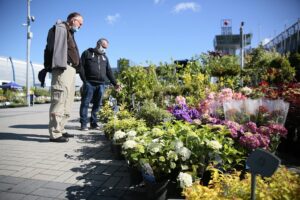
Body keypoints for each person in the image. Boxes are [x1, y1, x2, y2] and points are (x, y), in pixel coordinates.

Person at [48, 12, 84, 142]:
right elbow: (50, 48)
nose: (81, 26)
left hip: (71, 70)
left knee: (68, 101)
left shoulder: (70, 33)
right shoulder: (57, 29)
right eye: (80, 23)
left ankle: (61, 129)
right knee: (59, 99)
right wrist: (50, 67)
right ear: (73, 20)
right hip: (62, 68)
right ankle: (55, 133)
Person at [79, 38, 120, 131]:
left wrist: (115, 83)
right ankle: (84, 124)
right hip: (89, 83)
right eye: (103, 46)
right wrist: (84, 80)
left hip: (101, 84)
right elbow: (81, 67)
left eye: (106, 48)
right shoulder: (87, 53)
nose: (104, 49)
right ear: (98, 44)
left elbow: (109, 71)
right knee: (85, 103)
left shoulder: (105, 57)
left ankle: (94, 123)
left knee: (97, 104)